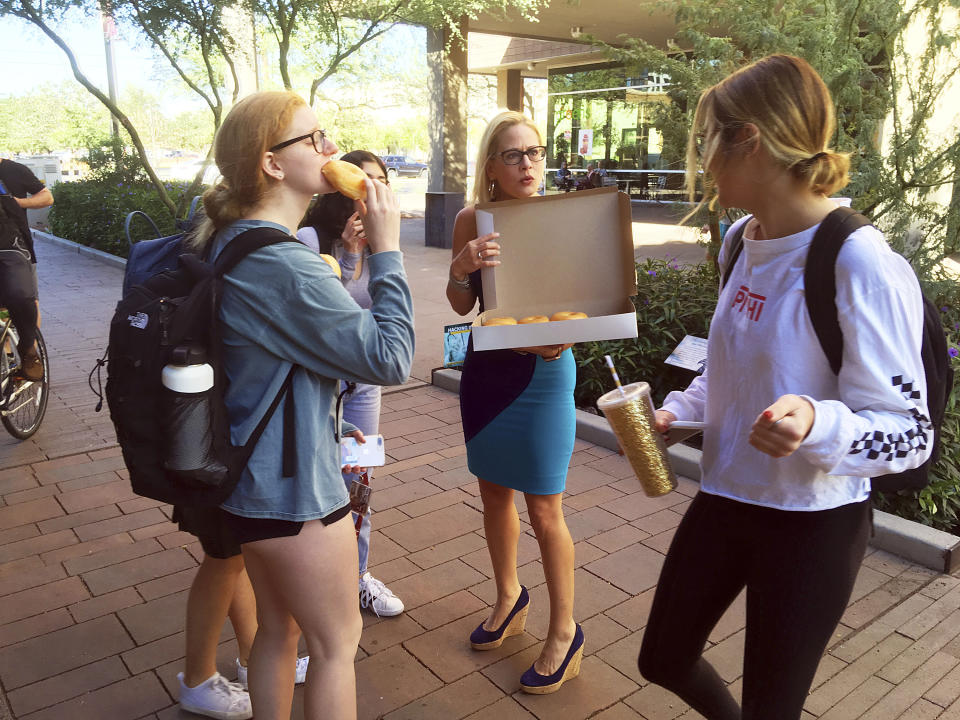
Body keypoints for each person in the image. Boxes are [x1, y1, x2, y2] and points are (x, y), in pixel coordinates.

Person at [637, 54, 932, 720]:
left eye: (709, 138)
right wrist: (681, 410)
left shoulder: (859, 259)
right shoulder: (741, 240)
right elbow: (731, 365)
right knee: (662, 657)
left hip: (813, 523)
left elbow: (910, 431)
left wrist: (817, 422)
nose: (702, 159)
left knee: (774, 708)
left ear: (751, 141)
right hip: (728, 495)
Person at [187, 91, 415, 720]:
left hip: (250, 483)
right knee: (337, 644)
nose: (331, 149)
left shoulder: (235, 240)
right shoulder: (283, 263)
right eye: (313, 139)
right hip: (297, 491)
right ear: (272, 163)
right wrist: (389, 250)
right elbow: (392, 358)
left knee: (278, 632)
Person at [446, 110, 583, 695]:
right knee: (494, 494)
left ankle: (564, 630)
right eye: (513, 154)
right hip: (488, 373)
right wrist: (461, 266)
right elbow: (459, 304)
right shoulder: (472, 218)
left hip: (545, 373)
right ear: (491, 166)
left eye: (535, 152)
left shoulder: (563, 218)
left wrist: (566, 332)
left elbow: (585, 299)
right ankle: (508, 597)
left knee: (546, 509)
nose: (528, 163)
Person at [296, 150, 404, 618]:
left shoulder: (384, 242)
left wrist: (379, 253)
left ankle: (358, 577)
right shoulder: (306, 238)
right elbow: (325, 322)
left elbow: (386, 318)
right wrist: (350, 254)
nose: (374, 190)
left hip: (363, 392)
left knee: (358, 484)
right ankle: (313, 591)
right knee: (316, 489)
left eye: (383, 181)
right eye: (366, 181)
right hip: (318, 392)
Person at [0, 157, 54, 381]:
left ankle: (30, 354)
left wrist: (17, 203)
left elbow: (47, 197)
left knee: (26, 299)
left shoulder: (13, 169)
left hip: (16, 246)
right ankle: (8, 358)